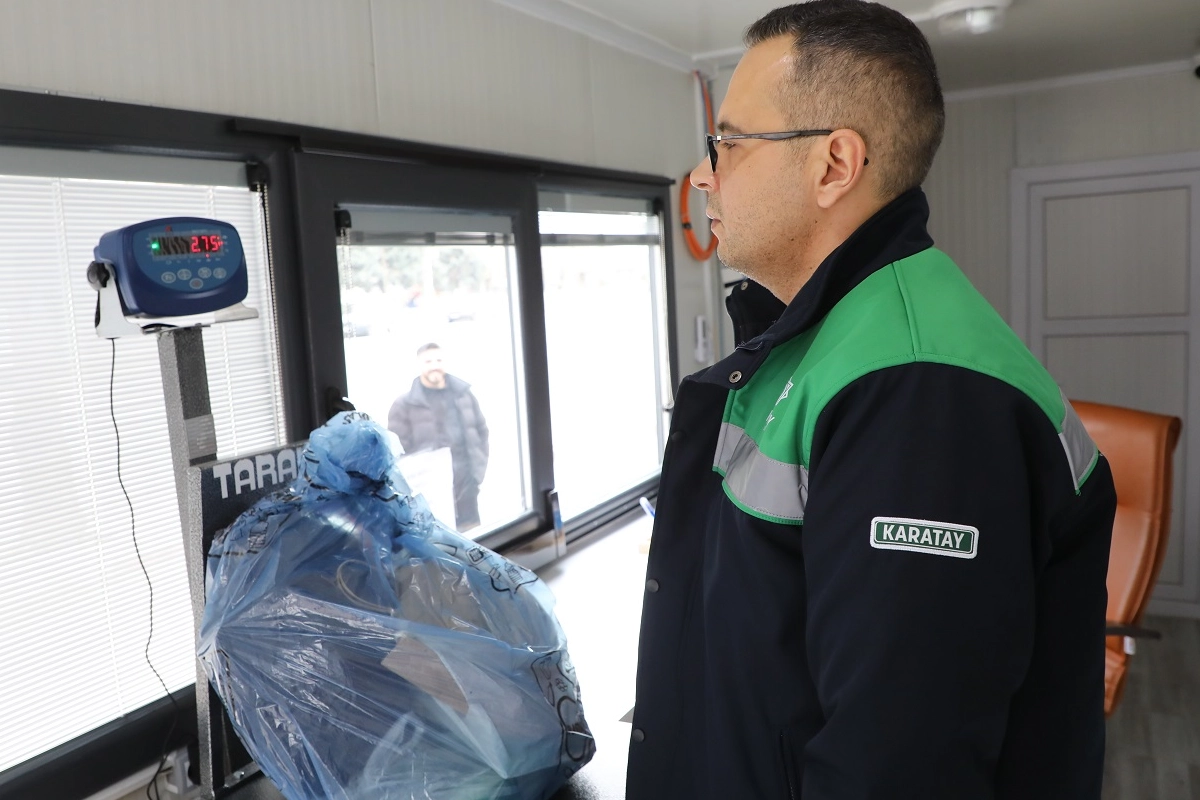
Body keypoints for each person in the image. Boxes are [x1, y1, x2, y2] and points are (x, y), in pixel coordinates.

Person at [627, 3, 1117, 799]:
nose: (702, 176)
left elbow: (898, 765)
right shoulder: (826, 342)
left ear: (833, 165)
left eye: (728, 145)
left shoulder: (919, 392)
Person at [388, 343, 489, 531]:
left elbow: (482, 432)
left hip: (467, 489)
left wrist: (477, 472)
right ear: (419, 365)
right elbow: (396, 452)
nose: (434, 365)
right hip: (429, 496)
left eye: (439, 360)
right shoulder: (403, 405)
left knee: (474, 542)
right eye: (428, 361)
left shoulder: (464, 395)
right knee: (440, 548)